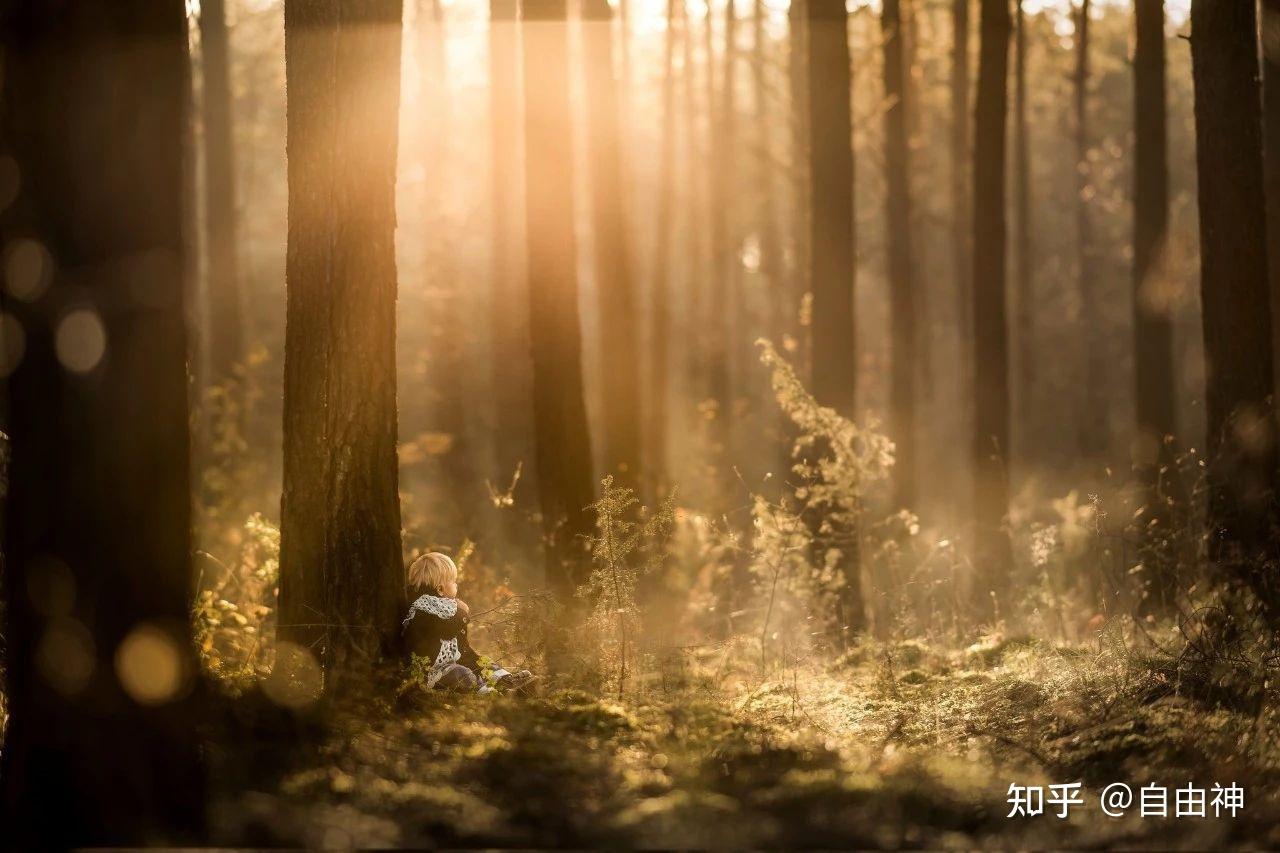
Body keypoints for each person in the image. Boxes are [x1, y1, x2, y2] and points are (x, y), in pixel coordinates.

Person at [401, 552, 531, 693]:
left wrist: (476, 661)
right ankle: (491, 694)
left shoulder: (444, 607)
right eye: (453, 582)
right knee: (462, 674)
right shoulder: (424, 608)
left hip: (454, 662)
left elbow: (462, 647)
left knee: (481, 662)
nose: (456, 585)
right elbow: (447, 628)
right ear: (440, 589)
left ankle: (506, 681)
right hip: (433, 671)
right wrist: (462, 612)